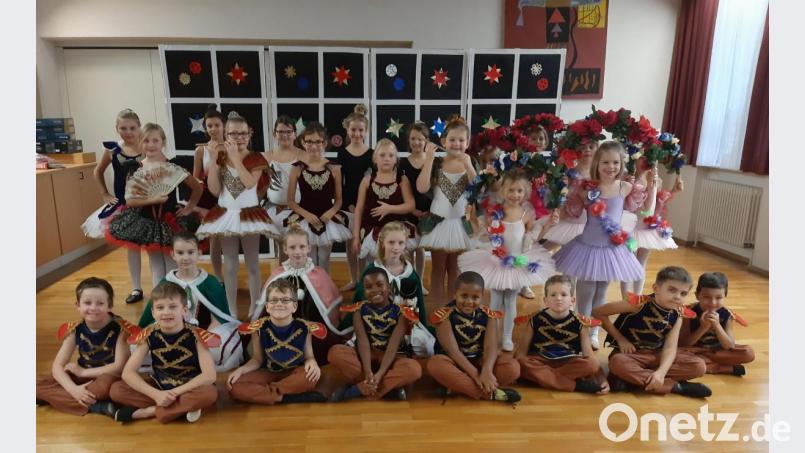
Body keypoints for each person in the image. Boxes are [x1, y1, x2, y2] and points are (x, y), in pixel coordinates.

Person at [552, 141, 647, 350]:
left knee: (602, 291)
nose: (610, 167)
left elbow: (641, 206)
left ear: (621, 164)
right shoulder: (587, 189)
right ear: (597, 163)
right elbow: (572, 211)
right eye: (605, 162)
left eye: (615, 162)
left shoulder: (625, 187)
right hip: (588, 246)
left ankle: (595, 331)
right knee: (585, 291)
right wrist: (567, 193)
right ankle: (581, 329)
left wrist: (646, 176)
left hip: (611, 250)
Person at [459, 169, 556, 351]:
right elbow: (480, 233)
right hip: (496, 262)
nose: (515, 195)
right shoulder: (495, 212)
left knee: (510, 301)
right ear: (503, 191)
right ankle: (491, 335)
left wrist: (549, 224)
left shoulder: (526, 214)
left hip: (516, 263)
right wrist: (471, 217)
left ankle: (506, 337)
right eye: (511, 190)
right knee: (495, 300)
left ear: (525, 192)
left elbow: (532, 236)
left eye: (519, 191)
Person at [196, 111, 276, 319]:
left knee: (252, 263)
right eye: (233, 134)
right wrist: (214, 160)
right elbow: (214, 190)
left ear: (249, 134)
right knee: (229, 264)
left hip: (250, 214)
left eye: (243, 134)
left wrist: (235, 158)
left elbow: (250, 183)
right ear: (226, 135)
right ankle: (230, 308)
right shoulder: (220, 157)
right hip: (226, 214)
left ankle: (255, 306)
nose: (238, 138)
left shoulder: (256, 158)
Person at [106, 123, 202, 287]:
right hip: (147, 223)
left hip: (170, 222)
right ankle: (160, 301)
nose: (151, 145)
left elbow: (197, 188)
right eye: (146, 141)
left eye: (155, 141)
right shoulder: (135, 167)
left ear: (163, 142)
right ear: (140, 142)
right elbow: (129, 200)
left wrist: (189, 207)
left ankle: (176, 299)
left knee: (172, 264)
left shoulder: (174, 165)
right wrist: (153, 200)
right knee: (156, 266)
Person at [593, 266, 712, 398]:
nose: (677, 297)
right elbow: (598, 312)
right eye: (672, 290)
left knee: (699, 366)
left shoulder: (678, 313)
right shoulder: (637, 304)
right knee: (617, 363)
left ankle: (635, 379)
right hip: (631, 355)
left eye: (683, 293)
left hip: (656, 355)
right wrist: (620, 339)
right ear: (656, 288)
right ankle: (675, 387)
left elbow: (670, 348)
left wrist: (661, 372)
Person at [110, 281, 219, 423]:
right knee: (117, 390)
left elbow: (209, 376)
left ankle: (149, 412)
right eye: (160, 308)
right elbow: (127, 373)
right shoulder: (149, 335)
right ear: (153, 313)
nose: (166, 312)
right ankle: (181, 408)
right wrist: (156, 394)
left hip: (190, 387)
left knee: (209, 393)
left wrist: (173, 394)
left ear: (184, 310)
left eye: (173, 307)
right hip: (160, 385)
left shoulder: (197, 335)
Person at [138, 231, 242, 372]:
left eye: (190, 252)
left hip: (204, 333)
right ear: (173, 254)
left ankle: (183, 361)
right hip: (170, 333)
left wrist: (201, 340)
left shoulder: (210, 282)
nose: (185, 257)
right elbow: (156, 317)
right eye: (180, 253)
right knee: (139, 346)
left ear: (199, 253)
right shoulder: (166, 283)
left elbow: (218, 319)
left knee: (225, 346)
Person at [36, 277, 135, 417]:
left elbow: (119, 366)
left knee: (104, 389)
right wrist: (73, 389)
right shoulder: (75, 329)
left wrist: (82, 372)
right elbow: (57, 366)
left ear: (110, 305)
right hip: (81, 378)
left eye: (100, 303)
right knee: (36, 385)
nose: (93, 308)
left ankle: (65, 399)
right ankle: (96, 406)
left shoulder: (121, 329)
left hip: (107, 377)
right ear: (78, 305)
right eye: (87, 303)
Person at [252, 224, 351, 365]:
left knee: (321, 346)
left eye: (302, 247)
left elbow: (328, 303)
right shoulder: (279, 274)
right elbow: (267, 307)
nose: (298, 252)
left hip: (311, 324)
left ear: (309, 248)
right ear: (285, 249)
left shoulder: (319, 274)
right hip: (282, 326)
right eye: (292, 248)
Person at [227, 278, 328, 404]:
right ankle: (288, 397)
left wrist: (312, 363)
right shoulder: (258, 328)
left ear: (294, 306)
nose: (279, 304)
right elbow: (257, 360)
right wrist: (241, 370)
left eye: (285, 300)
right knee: (234, 385)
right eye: (274, 300)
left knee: (309, 377)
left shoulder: (305, 327)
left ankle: (268, 395)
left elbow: (309, 356)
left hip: (294, 373)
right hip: (268, 373)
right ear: (267, 307)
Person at [426, 271, 522, 403]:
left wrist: (487, 371)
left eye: (475, 297)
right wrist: (476, 375)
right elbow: (453, 351)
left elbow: (490, 347)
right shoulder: (443, 315)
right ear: (455, 294)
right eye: (464, 296)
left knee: (512, 368)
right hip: (455, 363)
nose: (469, 302)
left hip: (479, 362)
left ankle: (457, 387)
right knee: (435, 364)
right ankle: (492, 394)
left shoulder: (489, 315)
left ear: (482, 296)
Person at [328, 269, 422, 401]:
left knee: (414, 369)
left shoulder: (401, 312)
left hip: (392, 356)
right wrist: (367, 371)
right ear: (364, 291)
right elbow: (363, 342)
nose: (374, 290)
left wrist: (380, 374)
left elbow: (393, 346)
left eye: (379, 285)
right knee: (335, 352)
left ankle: (359, 389)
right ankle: (385, 387)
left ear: (388, 287)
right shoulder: (359, 310)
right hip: (367, 355)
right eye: (368, 287)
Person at [81, 109, 144, 304]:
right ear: (116, 129)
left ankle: (162, 284)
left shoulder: (147, 146)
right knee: (132, 247)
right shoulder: (112, 150)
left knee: (153, 246)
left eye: (132, 128)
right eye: (123, 128)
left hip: (146, 204)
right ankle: (136, 287)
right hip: (123, 205)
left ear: (139, 128)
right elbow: (97, 171)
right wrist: (105, 193)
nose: (128, 132)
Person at [347, 222, 434, 357]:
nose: (396, 247)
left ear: (406, 244)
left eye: (400, 243)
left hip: (403, 325)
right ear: (382, 242)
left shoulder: (410, 273)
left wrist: (418, 322)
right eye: (391, 242)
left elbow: (419, 307)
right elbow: (360, 300)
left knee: (427, 347)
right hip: (375, 323)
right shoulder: (372, 272)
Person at [416, 116, 477, 305]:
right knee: (437, 269)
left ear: (467, 143)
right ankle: (436, 309)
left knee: (455, 270)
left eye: (461, 140)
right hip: (439, 224)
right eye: (452, 140)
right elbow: (422, 187)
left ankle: (452, 310)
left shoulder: (471, 163)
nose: (456, 144)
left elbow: (479, 187)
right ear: (443, 142)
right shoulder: (436, 164)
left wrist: (468, 165)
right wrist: (428, 160)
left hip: (460, 224)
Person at [515, 275, 607, 394]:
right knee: (522, 363)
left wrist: (602, 379)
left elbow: (589, 356)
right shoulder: (535, 319)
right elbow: (521, 353)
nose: (558, 298)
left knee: (592, 364)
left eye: (563, 294)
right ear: (545, 300)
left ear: (572, 300)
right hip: (541, 360)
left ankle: (541, 379)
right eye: (553, 295)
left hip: (568, 362)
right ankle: (575, 385)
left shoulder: (581, 323)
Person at [286, 122, 352, 273]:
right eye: (309, 141)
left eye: (318, 142)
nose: (313, 146)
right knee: (308, 258)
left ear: (325, 143)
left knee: (323, 259)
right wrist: (307, 215)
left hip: (327, 219)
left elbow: (339, 199)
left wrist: (331, 212)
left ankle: (323, 292)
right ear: (303, 142)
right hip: (304, 218)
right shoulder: (297, 168)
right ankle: (309, 291)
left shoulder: (334, 168)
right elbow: (290, 200)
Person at [620, 164, 685, 298]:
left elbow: (658, 202)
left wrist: (673, 190)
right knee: (627, 262)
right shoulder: (628, 178)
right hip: (630, 228)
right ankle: (625, 298)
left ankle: (637, 296)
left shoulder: (655, 179)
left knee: (641, 263)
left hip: (646, 228)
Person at [352, 138, 416, 264]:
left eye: (391, 155)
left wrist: (390, 208)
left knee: (396, 264)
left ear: (396, 159)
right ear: (375, 158)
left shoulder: (401, 179)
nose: (387, 158)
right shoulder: (367, 180)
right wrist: (355, 237)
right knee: (373, 266)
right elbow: (358, 210)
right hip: (371, 230)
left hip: (396, 231)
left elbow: (411, 205)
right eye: (382, 155)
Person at [680, 272, 754, 376]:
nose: (712, 302)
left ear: (725, 296)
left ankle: (707, 365)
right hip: (695, 351)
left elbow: (729, 346)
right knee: (675, 354)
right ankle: (724, 368)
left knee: (748, 353)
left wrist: (717, 326)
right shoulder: (688, 312)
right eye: (706, 297)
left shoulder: (727, 314)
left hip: (718, 351)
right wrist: (703, 327)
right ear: (697, 295)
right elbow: (684, 343)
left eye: (718, 298)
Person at [337, 104, 374, 291]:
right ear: (347, 130)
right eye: (353, 130)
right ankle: (354, 278)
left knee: (366, 242)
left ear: (366, 131)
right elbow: (341, 180)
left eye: (360, 130)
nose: (357, 133)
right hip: (348, 203)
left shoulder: (371, 154)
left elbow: (373, 182)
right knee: (351, 243)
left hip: (367, 203)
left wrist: (364, 204)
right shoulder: (342, 153)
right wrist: (347, 204)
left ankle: (366, 279)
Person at [192, 104, 226, 281]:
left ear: (224, 126)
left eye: (217, 125)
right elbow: (195, 179)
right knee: (215, 240)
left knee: (229, 241)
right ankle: (219, 277)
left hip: (229, 198)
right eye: (209, 125)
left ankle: (230, 275)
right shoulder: (201, 150)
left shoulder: (231, 148)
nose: (213, 129)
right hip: (209, 201)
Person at [263, 115, 305, 261]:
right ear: (274, 134)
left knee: (297, 248)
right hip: (274, 209)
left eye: (288, 131)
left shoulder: (303, 156)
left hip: (298, 211)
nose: (284, 135)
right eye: (280, 132)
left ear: (294, 134)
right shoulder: (267, 156)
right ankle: (283, 278)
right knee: (282, 247)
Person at [398, 122, 432, 289]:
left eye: (420, 139)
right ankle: (410, 278)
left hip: (428, 212)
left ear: (426, 140)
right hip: (409, 210)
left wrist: (428, 211)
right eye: (413, 139)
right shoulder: (403, 163)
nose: (417, 143)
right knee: (410, 247)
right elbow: (401, 188)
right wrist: (412, 209)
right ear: (408, 140)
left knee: (421, 249)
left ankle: (419, 280)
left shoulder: (431, 162)